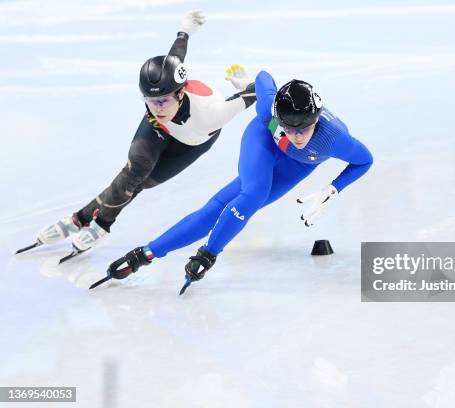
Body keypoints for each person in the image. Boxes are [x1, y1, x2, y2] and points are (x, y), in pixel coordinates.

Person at [97, 70, 373, 294]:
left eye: (304, 129)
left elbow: (364, 160)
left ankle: (145, 254)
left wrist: (333, 188)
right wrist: (251, 86)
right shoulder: (268, 111)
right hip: (264, 141)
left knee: (222, 208)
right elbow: (265, 77)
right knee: (253, 193)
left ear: (316, 121)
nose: (297, 135)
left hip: (298, 165)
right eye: (289, 128)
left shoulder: (335, 139)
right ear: (278, 117)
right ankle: (207, 255)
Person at [17, 11, 256, 258]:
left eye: (163, 100)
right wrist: (184, 31)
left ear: (180, 94)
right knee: (134, 171)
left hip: (192, 142)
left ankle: (83, 217)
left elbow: (260, 93)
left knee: (141, 183)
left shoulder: (211, 114)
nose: (157, 107)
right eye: (149, 100)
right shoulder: (157, 106)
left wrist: (247, 86)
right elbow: (175, 56)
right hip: (159, 129)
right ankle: (98, 224)